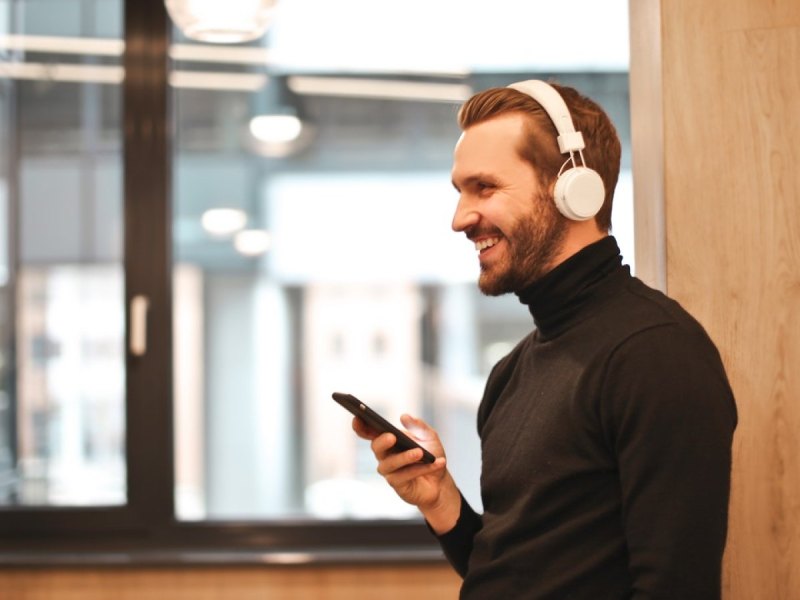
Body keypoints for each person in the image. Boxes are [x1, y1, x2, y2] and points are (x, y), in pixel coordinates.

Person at [353, 79, 737, 599]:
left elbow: (676, 588)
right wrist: (440, 500)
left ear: (574, 189)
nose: (460, 218)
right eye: (460, 191)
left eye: (484, 187)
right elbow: (515, 575)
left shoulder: (654, 353)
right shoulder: (512, 372)